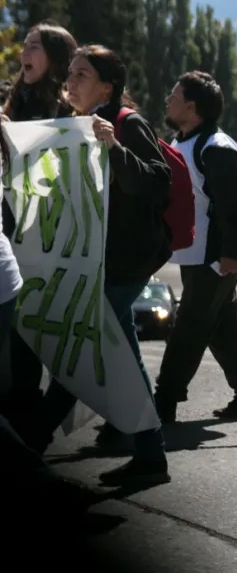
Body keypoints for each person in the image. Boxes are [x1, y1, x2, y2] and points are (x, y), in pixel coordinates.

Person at [30, 46, 173, 486]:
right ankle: (150, 455)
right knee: (115, 353)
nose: (70, 82)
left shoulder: (127, 123)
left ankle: (29, 443)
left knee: (79, 348)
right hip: (94, 260)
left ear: (107, 88)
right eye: (70, 74)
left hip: (124, 263)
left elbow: (157, 181)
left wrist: (112, 145)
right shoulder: (73, 125)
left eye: (81, 75)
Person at [155, 71, 237, 424]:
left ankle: (164, 399)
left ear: (191, 107)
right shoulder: (180, 143)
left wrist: (232, 253)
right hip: (194, 253)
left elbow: (235, 205)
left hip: (216, 255)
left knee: (190, 323)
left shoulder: (217, 148)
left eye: (174, 96)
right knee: (221, 324)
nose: (168, 100)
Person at [0, 22, 77, 432]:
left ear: (55, 58)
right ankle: (25, 413)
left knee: (52, 331)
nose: (24, 54)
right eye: (24, 46)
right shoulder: (13, 102)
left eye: (34, 47)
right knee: (20, 332)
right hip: (13, 231)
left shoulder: (67, 111)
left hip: (52, 236)